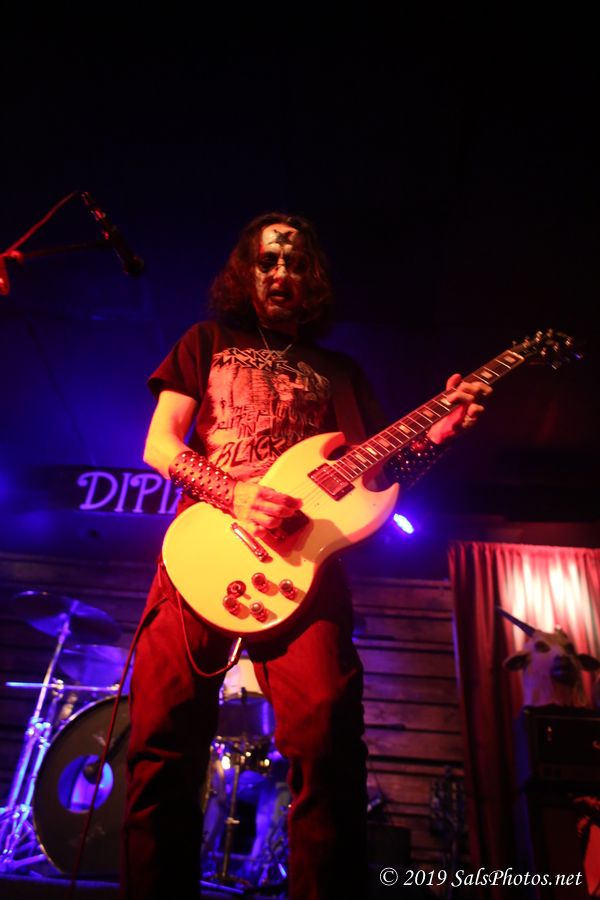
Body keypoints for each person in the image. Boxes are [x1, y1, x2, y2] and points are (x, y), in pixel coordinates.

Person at [120, 212, 491, 900]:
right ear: (247, 272)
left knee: (329, 739)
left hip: (306, 564)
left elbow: (381, 477)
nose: (281, 272)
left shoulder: (341, 373)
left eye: (293, 262)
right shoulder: (206, 341)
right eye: (267, 261)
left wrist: (435, 437)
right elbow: (159, 445)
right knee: (161, 741)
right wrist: (234, 493)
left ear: (311, 276)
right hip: (205, 549)